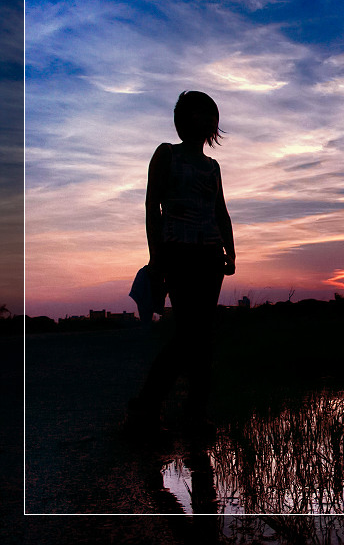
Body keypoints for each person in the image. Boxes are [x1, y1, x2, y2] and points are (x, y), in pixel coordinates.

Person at [125, 91, 235, 437]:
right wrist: (156, 255)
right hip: (178, 251)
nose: (203, 120)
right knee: (188, 335)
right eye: (196, 113)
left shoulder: (212, 166)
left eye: (208, 114)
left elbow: (220, 209)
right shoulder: (166, 154)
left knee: (201, 337)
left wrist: (230, 251)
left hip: (209, 255)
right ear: (184, 119)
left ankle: (194, 415)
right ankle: (145, 409)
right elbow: (152, 207)